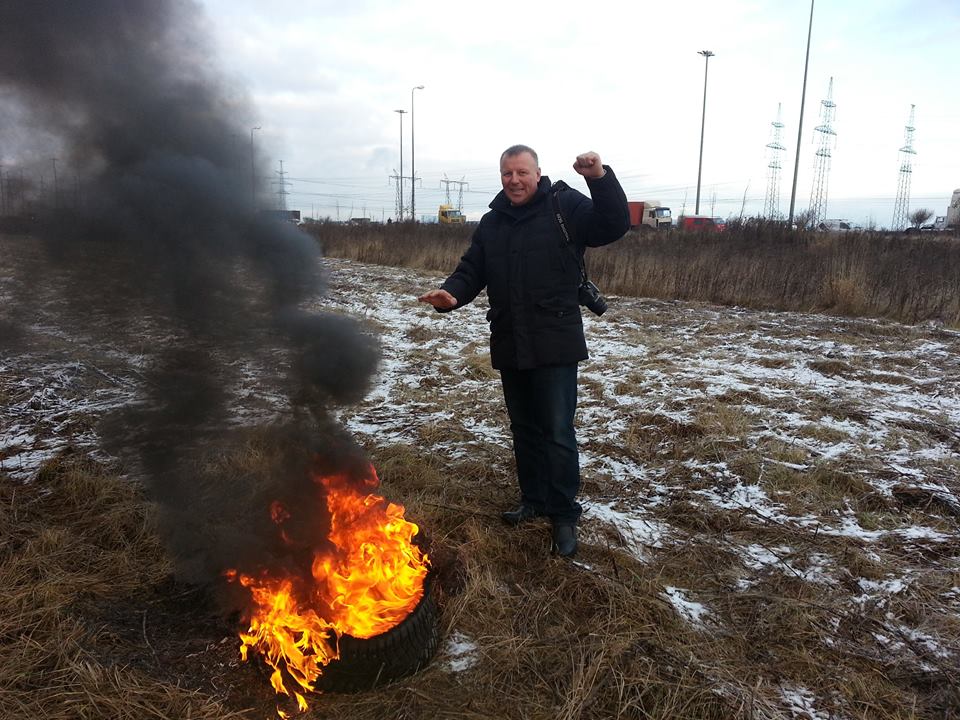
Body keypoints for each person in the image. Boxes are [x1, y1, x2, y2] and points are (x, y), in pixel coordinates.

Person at [417, 145, 629, 557]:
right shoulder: (493, 223)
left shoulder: (563, 206)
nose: (514, 180)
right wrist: (453, 295)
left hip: (555, 338)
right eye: (506, 174)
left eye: (521, 172)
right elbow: (471, 269)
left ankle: (564, 513)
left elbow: (613, 224)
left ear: (537, 173)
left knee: (557, 431)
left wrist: (599, 179)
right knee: (524, 429)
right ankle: (533, 500)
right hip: (511, 338)